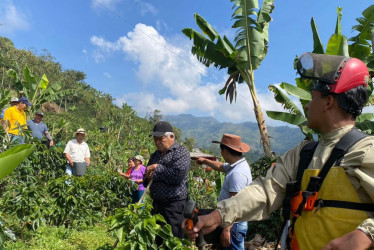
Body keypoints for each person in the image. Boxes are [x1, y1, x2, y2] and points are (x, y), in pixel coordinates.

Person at [183, 53, 374, 250]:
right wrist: (218, 215)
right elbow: (267, 190)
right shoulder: (303, 153)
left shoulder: (365, 150)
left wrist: (365, 235)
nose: (307, 105)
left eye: (313, 97)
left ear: (328, 102)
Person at [195, 134, 252, 249]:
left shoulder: (238, 174)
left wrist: (226, 230)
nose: (220, 153)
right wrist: (205, 160)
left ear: (225, 152)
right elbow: (221, 166)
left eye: (221, 150)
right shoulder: (236, 165)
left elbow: (235, 205)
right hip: (231, 222)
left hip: (233, 225)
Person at [144, 121, 190, 240]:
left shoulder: (181, 152)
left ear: (172, 137)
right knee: (155, 239)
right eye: (155, 139)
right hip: (157, 206)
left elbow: (177, 176)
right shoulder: (155, 155)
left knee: (172, 240)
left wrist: (157, 168)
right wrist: (147, 176)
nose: (157, 142)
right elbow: (146, 179)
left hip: (173, 207)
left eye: (161, 139)